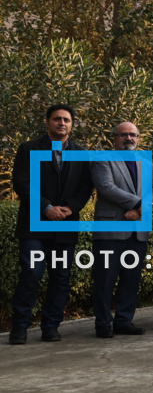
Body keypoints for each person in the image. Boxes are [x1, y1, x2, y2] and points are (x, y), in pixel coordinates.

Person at [10, 104, 92, 344]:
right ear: (47, 122)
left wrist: (71, 207)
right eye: (57, 119)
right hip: (35, 225)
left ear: (71, 124)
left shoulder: (81, 153)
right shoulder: (28, 149)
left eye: (66, 120)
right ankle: (20, 326)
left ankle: (51, 327)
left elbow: (86, 186)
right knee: (32, 273)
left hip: (65, 224)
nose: (62, 123)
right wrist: (46, 206)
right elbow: (21, 182)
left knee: (60, 277)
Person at [90, 122, 150, 338]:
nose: (128, 138)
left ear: (138, 138)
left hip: (138, 231)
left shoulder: (145, 162)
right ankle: (103, 323)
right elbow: (106, 187)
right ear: (114, 138)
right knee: (104, 279)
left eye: (133, 135)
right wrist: (139, 205)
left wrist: (139, 210)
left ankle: (124, 321)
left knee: (131, 279)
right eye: (123, 134)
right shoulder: (102, 158)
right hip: (110, 229)